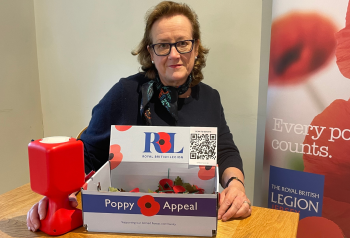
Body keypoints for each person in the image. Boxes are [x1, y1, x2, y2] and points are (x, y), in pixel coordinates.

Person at [27, 1, 251, 232]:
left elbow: (224, 151)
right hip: (128, 220)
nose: (174, 54)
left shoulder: (209, 98)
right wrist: (59, 198)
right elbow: (88, 154)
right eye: (163, 45)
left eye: (183, 43)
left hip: (192, 219)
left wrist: (236, 185)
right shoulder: (125, 93)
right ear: (150, 52)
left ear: (195, 48)